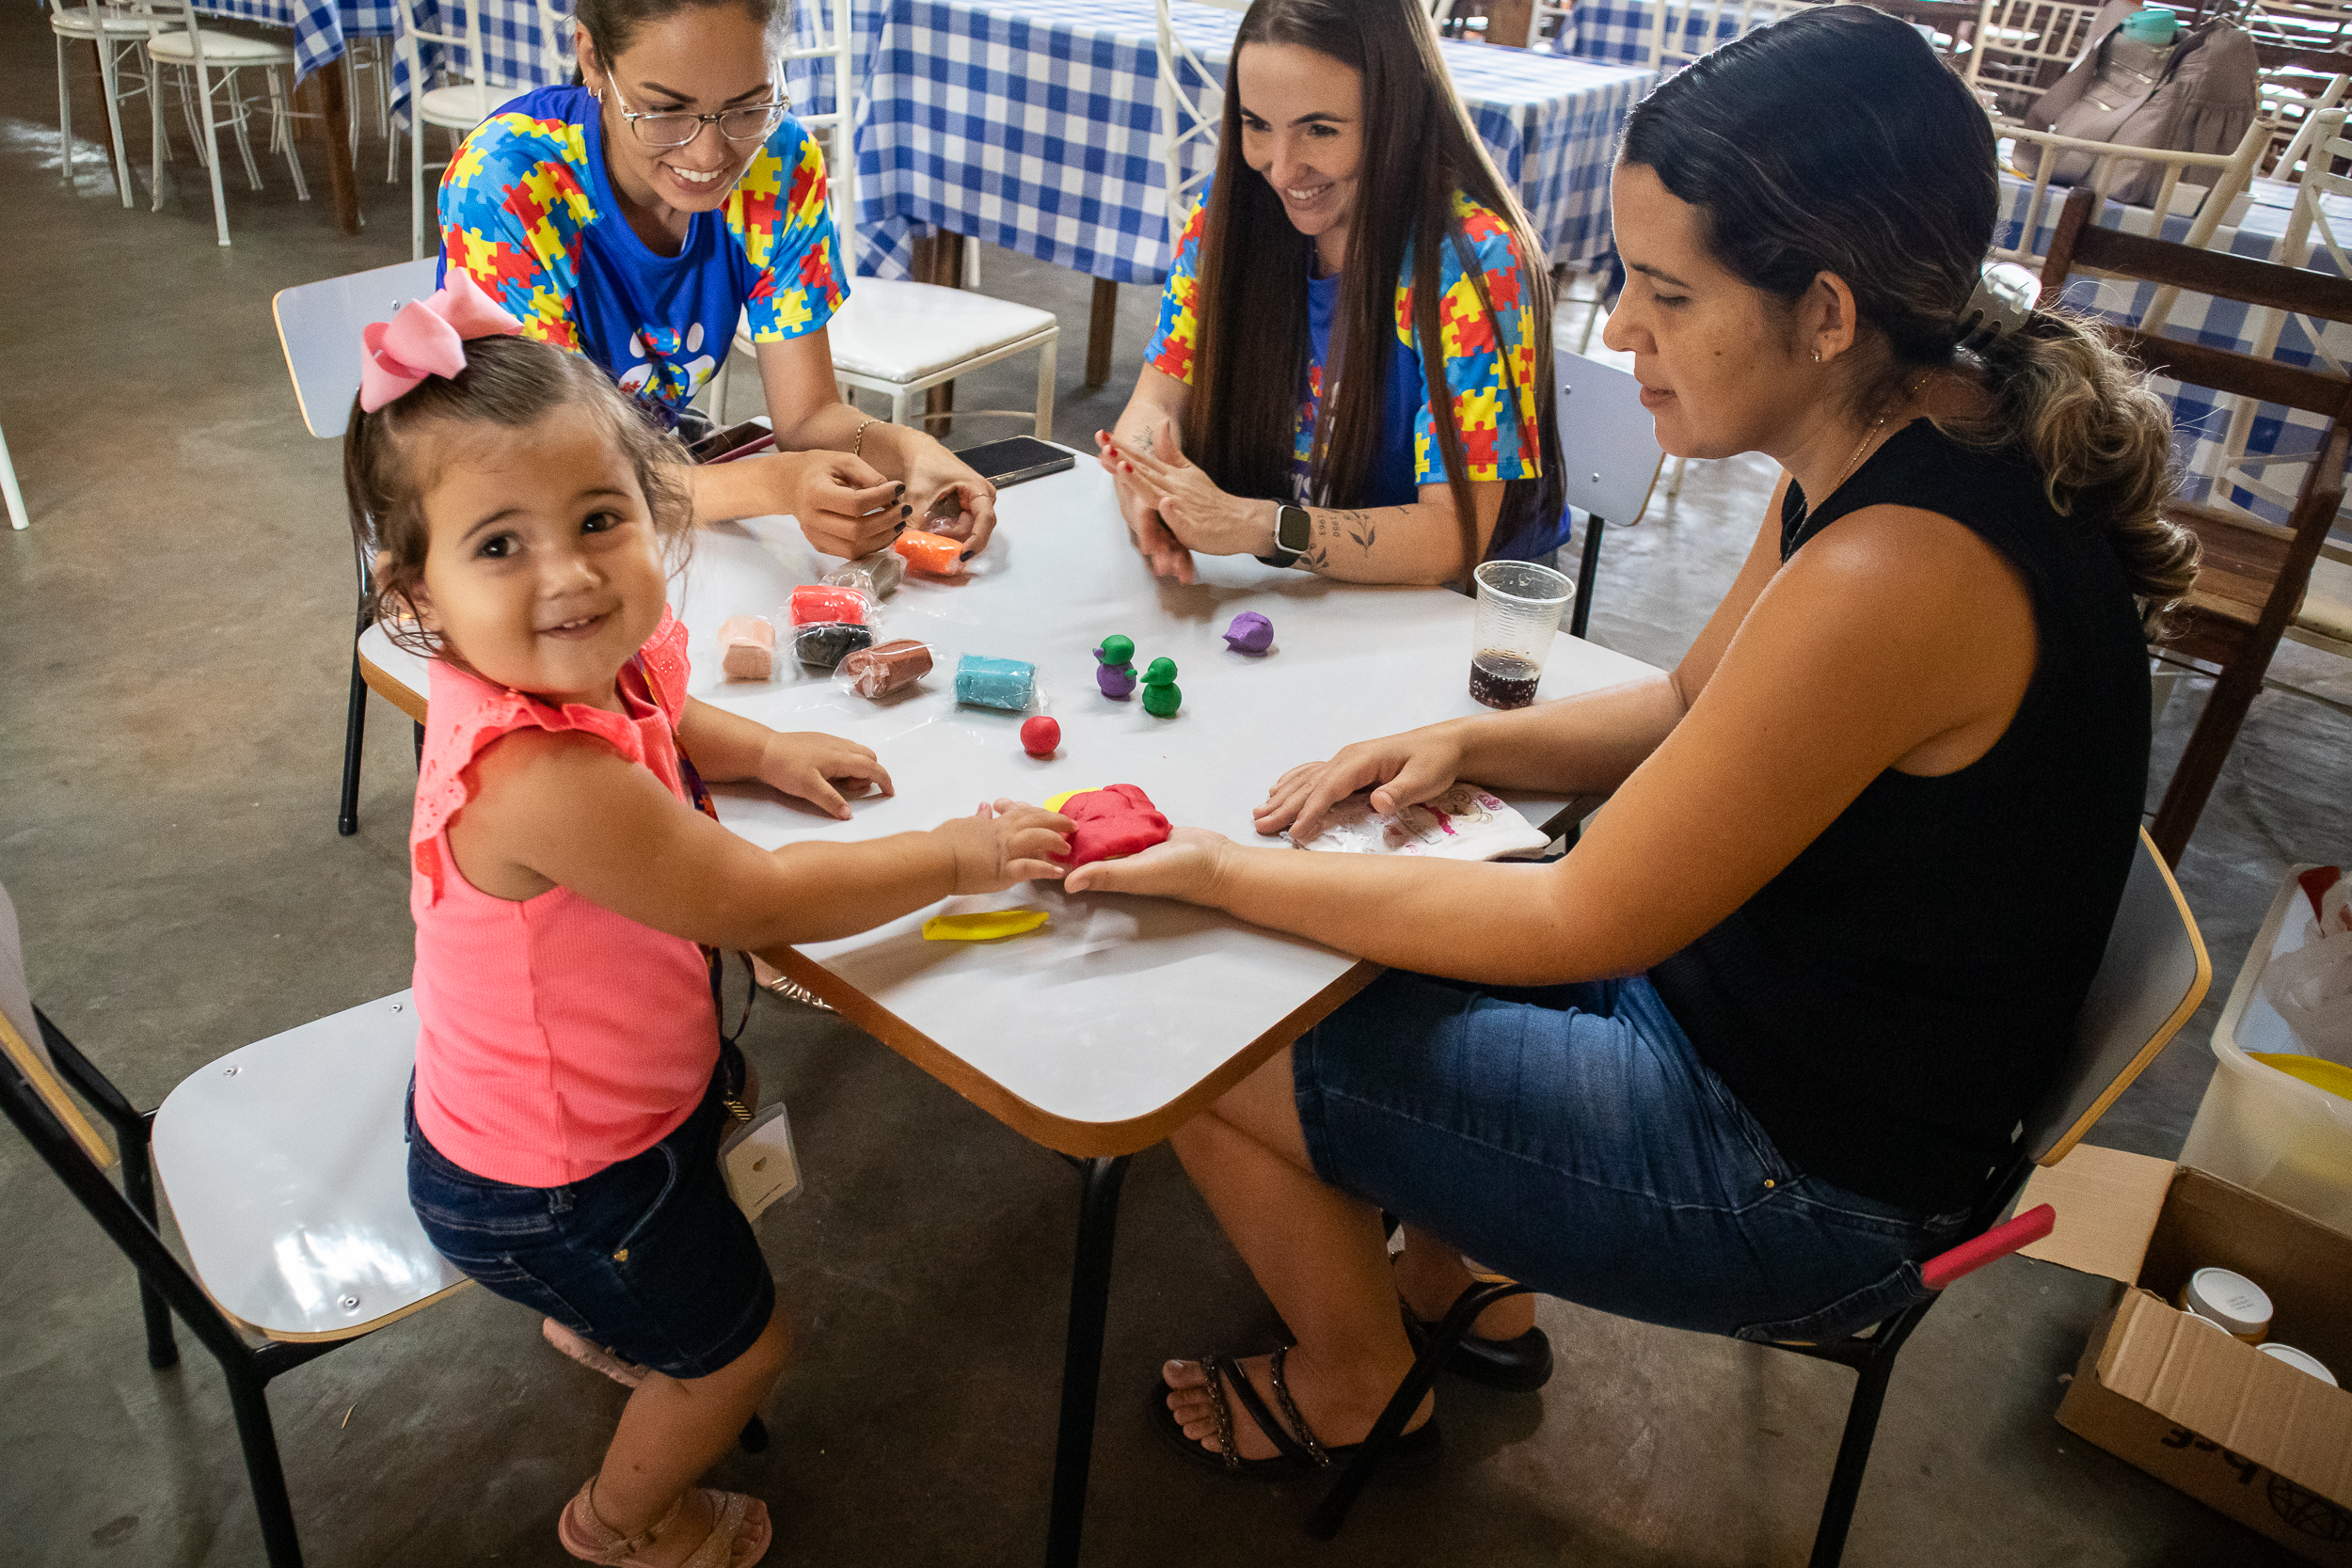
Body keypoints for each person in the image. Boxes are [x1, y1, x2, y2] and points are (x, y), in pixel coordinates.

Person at [1067, 5, 2194, 1475]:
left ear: (1828, 311)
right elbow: (1680, 710)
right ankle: (1454, 1269)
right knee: (1354, 923)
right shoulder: (1901, 428)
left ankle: (1357, 1382)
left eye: (1663, 292)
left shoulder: (1898, 566)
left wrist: (1215, 870)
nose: (1614, 333)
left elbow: (1575, 915)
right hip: (1763, 1027)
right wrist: (1460, 748)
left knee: (1203, 1029)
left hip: (1796, 1178)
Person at [345, 293, 1072, 1565]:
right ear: (417, 594)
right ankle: (625, 1519)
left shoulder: (582, 658)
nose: (569, 573)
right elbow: (760, 901)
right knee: (747, 1351)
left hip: (569, 1113)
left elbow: (666, 717)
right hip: (560, 1184)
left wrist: (769, 743)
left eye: (598, 519)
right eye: (499, 546)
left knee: (707, 1156)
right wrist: (957, 854)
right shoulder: (534, 775)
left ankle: (607, 1315)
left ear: (653, 507)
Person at [437, 0, 1002, 565]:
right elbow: (564, 470)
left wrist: (909, 450)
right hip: (505, 519)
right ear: (591, 58)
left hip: (646, 499)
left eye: (748, 108)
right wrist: (778, 485)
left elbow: (807, 417)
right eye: (663, 111)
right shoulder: (506, 184)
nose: (708, 155)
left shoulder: (776, 165)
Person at [1096, 0, 1565, 586]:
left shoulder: (1471, 262)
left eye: (1320, 130)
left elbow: (1452, 538)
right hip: (1299, 592)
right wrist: (1148, 491)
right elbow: (1157, 404)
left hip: (1448, 613)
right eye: (1256, 124)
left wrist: (1264, 526)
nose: (1284, 170)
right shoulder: (1229, 216)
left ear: (1396, 115)